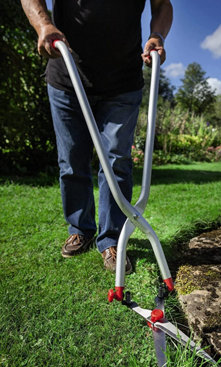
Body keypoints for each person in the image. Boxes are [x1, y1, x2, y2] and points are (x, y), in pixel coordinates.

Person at [20, 0, 173, 274]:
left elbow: (162, 5)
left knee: (117, 161)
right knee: (71, 160)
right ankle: (81, 229)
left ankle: (112, 239)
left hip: (123, 83)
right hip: (66, 75)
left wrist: (156, 36)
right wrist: (43, 24)